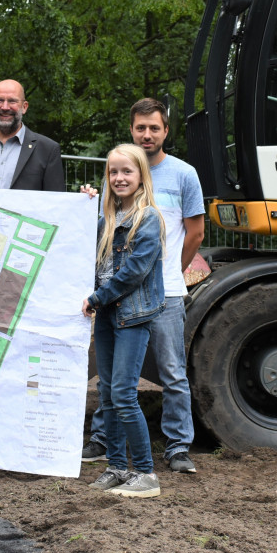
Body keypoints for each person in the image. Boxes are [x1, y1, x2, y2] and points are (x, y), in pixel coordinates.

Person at [83, 98, 205, 474]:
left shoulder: (185, 175)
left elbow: (196, 231)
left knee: (171, 371)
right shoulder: (119, 175)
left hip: (165, 291)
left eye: (154, 127)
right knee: (113, 373)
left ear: (166, 131)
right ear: (132, 129)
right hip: (121, 295)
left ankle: (178, 445)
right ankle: (104, 440)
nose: (147, 134)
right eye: (140, 128)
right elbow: (106, 230)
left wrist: (169, 273)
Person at [83, 144, 165, 498]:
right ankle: (116, 467)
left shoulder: (147, 219)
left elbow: (133, 272)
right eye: (113, 172)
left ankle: (146, 473)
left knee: (124, 393)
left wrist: (96, 298)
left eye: (126, 171)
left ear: (140, 176)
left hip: (131, 316)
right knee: (107, 393)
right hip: (106, 316)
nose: (119, 178)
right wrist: (84, 204)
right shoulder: (106, 218)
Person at [0, 79, 65, 192]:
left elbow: (56, 201)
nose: (5, 107)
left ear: (24, 107)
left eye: (12, 101)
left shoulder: (47, 150)